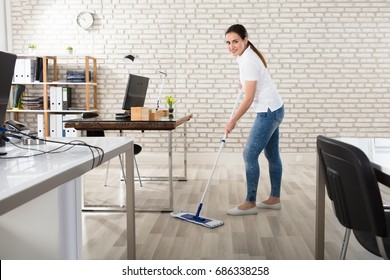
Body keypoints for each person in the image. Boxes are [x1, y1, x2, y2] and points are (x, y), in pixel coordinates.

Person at [224, 24, 285, 216]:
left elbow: (249, 99)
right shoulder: (246, 56)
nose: (231, 46)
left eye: (235, 41)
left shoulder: (248, 60)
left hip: (268, 112)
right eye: (228, 43)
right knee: (272, 155)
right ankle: (274, 198)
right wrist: (243, 82)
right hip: (275, 108)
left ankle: (250, 202)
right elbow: (254, 82)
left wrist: (232, 120)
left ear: (245, 40)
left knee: (249, 155)